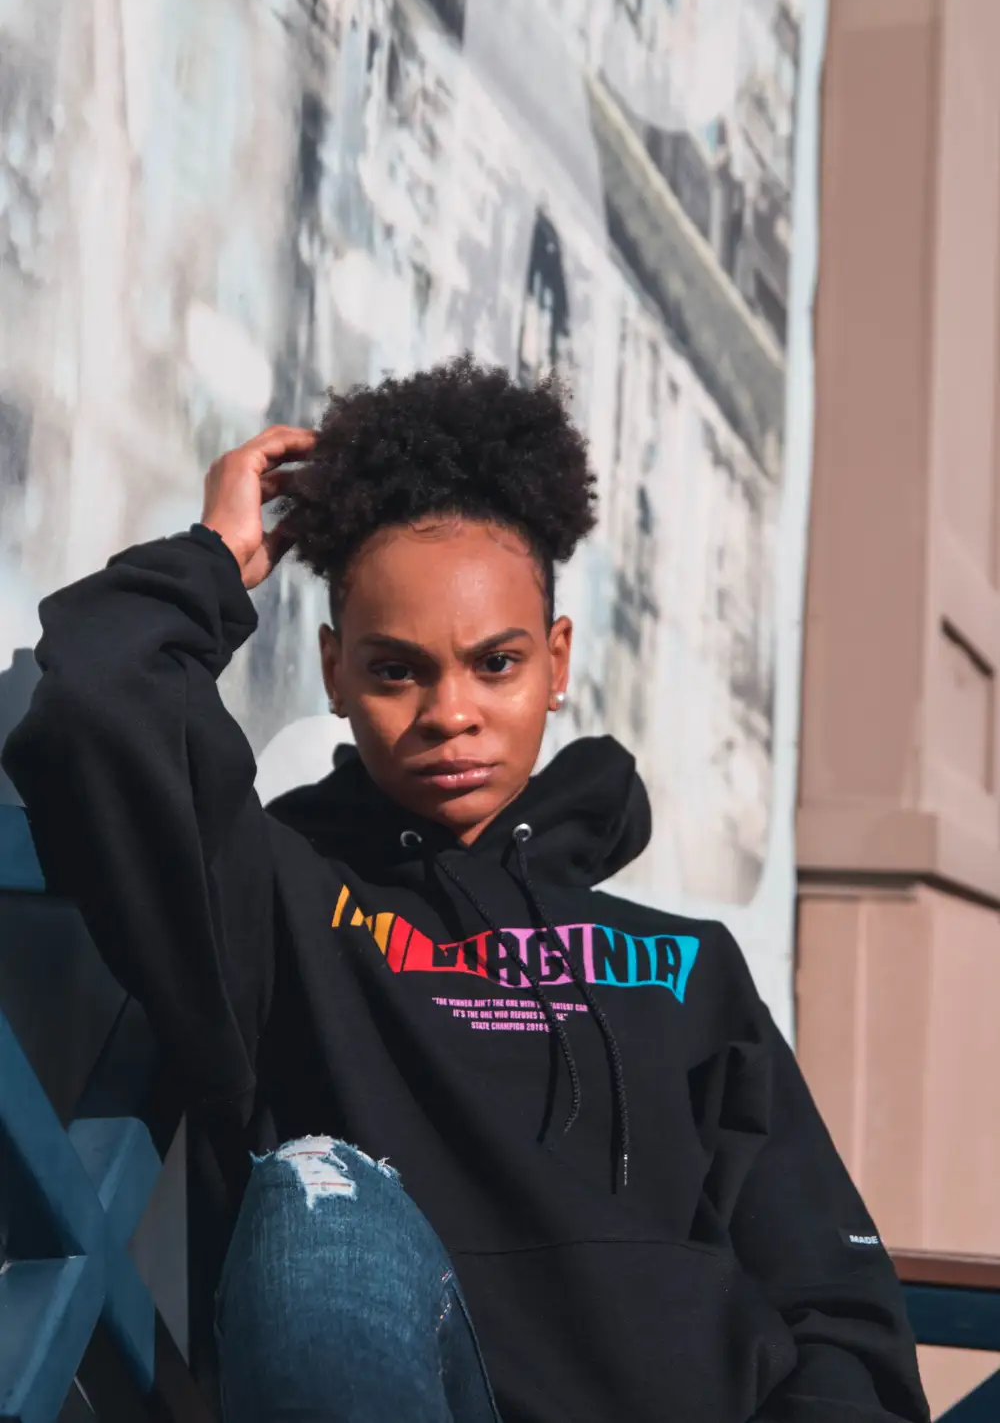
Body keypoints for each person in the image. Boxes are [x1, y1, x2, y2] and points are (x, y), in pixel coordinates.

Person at [3, 357, 928, 1423]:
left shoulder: (687, 969)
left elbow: (836, 1306)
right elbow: (97, 706)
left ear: (556, 661)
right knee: (317, 1202)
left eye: (496, 663)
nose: (452, 712)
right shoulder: (284, 904)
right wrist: (216, 556)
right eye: (398, 670)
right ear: (333, 672)